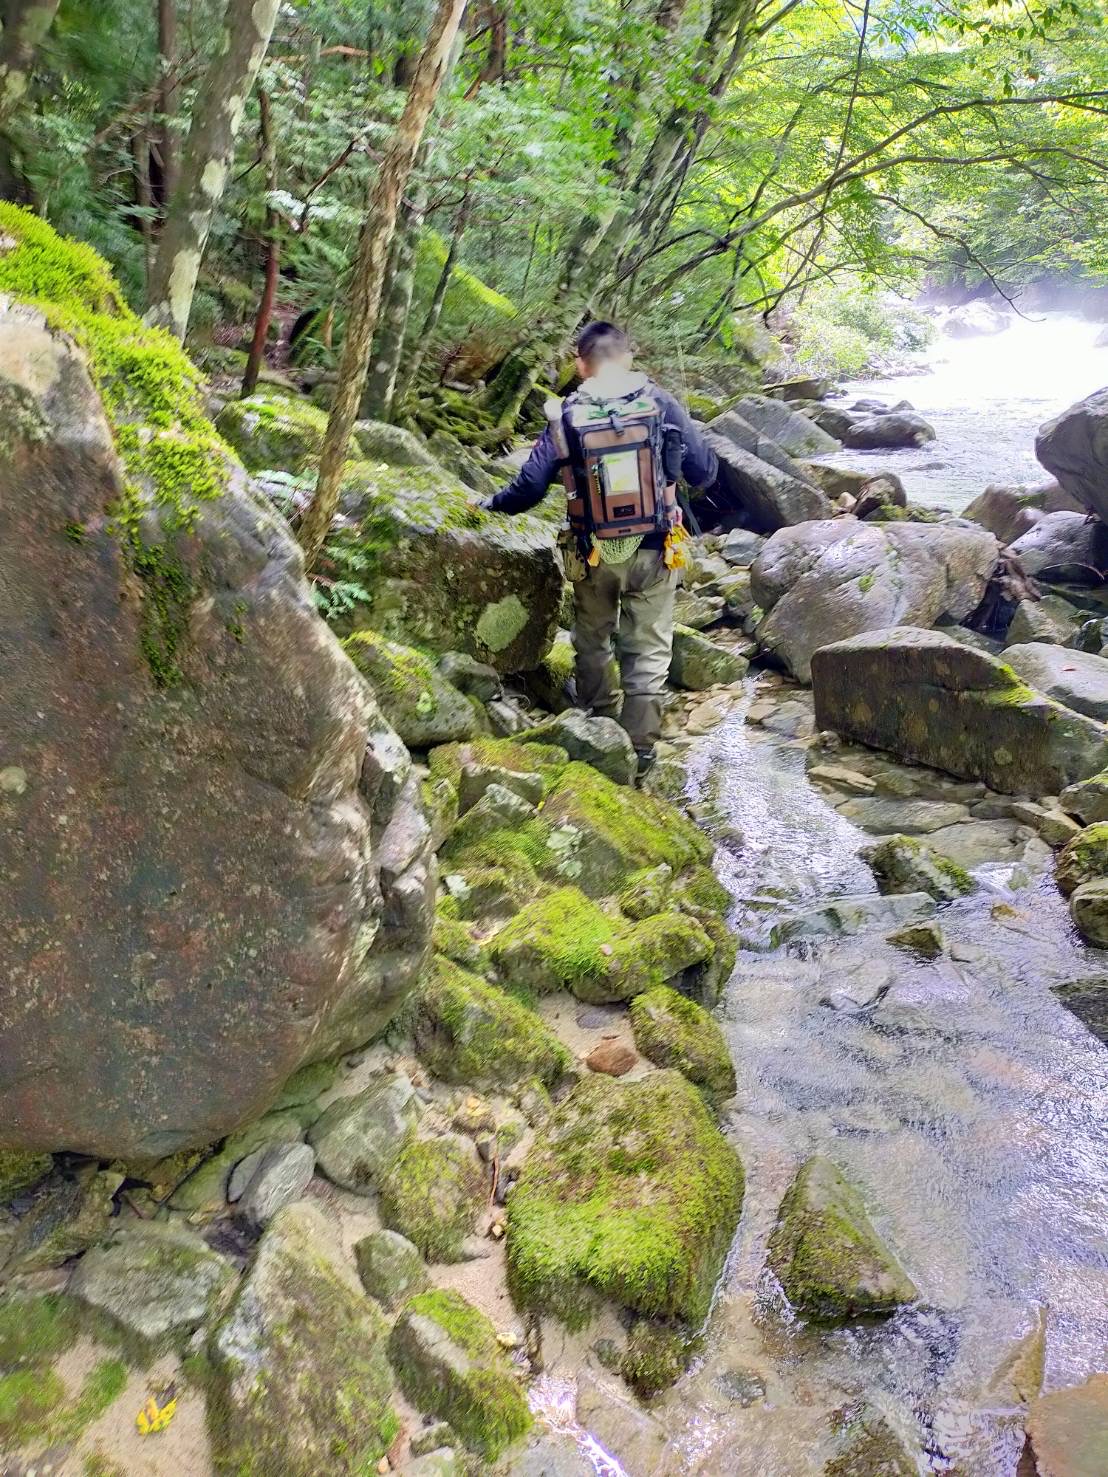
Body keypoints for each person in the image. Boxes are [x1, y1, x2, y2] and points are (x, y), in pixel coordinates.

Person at [479, 321, 718, 772]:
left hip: (594, 552)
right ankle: (642, 749)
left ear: (581, 364)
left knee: (592, 638)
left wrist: (488, 504)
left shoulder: (566, 414)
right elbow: (705, 471)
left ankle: (600, 720)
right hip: (658, 547)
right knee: (648, 648)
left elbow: (529, 488)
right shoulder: (659, 401)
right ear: (628, 357)